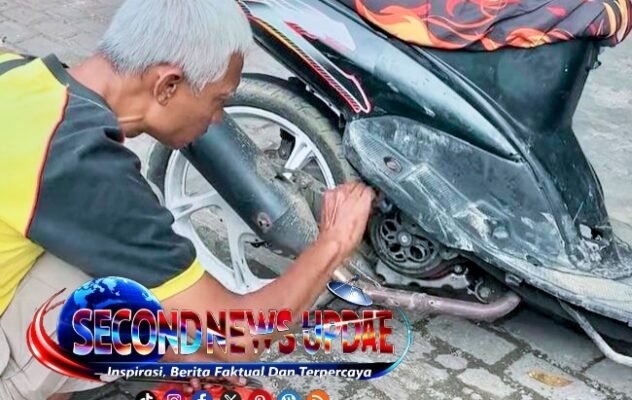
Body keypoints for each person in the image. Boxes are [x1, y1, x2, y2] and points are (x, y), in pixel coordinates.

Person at [0, 1, 375, 399]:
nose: (217, 119)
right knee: (108, 291)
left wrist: (180, 348)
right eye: (218, 100)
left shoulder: (17, 72)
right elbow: (235, 340)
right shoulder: (80, 163)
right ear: (168, 86)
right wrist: (333, 243)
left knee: (132, 281)